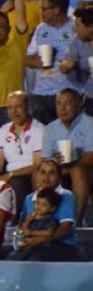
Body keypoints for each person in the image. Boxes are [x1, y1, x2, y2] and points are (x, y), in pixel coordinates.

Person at [26, 0, 83, 125]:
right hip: (41, 95)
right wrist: (36, 62)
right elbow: (27, 58)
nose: (41, 13)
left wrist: (73, 64)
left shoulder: (77, 27)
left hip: (69, 93)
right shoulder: (40, 29)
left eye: (44, 9)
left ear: (57, 9)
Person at [10, 160, 83, 261]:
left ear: (59, 177)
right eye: (43, 172)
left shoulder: (67, 196)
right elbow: (22, 226)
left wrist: (38, 240)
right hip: (33, 246)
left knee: (35, 259)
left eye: (52, 173)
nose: (46, 177)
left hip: (62, 246)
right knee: (12, 257)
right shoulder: (29, 199)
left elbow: (64, 228)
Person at [41, 87, 93, 224]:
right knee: (41, 172)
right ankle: (43, 219)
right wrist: (54, 161)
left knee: (78, 171)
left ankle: (74, 222)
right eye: (59, 104)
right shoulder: (51, 128)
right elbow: (45, 159)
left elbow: (91, 156)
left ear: (78, 104)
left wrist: (72, 163)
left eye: (68, 103)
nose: (62, 108)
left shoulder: (89, 124)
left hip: (87, 171)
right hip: (60, 170)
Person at [0, 91, 44, 209]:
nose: (14, 111)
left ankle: (17, 221)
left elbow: (38, 165)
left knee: (16, 183)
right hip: (8, 175)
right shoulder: (3, 130)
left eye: (18, 106)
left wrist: (11, 175)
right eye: (10, 107)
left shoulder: (39, 129)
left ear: (27, 107)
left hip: (29, 176)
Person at [8, 188, 61, 259]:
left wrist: (31, 232)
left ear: (52, 208)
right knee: (12, 256)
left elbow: (49, 233)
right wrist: (27, 221)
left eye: (44, 205)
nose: (39, 207)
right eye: (37, 203)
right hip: (28, 247)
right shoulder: (31, 217)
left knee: (35, 258)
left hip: (42, 248)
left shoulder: (49, 219)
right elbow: (22, 231)